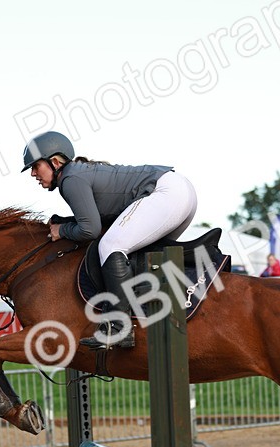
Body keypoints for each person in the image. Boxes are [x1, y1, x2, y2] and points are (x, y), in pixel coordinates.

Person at [23, 131, 197, 350]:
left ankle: (118, 328)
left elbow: (90, 230)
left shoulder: (70, 179)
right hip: (180, 192)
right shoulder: (76, 174)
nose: (32, 174)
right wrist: (67, 223)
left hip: (167, 193)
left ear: (55, 161)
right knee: (131, 251)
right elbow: (98, 220)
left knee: (111, 246)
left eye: (35, 166)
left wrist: (62, 230)